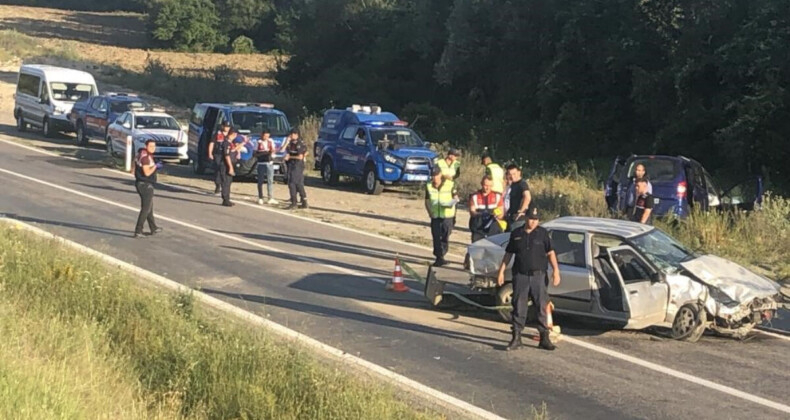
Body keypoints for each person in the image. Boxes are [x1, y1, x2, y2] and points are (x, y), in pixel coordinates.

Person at [497, 206, 560, 351]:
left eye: (536, 220)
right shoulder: (517, 233)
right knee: (519, 305)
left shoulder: (543, 234)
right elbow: (508, 254)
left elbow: (550, 253)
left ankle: (544, 337)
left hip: (538, 275)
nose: (533, 222)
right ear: (526, 218)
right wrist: (501, 272)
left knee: (541, 306)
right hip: (521, 275)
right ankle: (517, 337)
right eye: (531, 219)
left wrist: (556, 271)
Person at [425, 166, 459, 267]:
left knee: (445, 235)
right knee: (436, 236)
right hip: (435, 215)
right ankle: (439, 257)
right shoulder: (429, 186)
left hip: (447, 215)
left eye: (436, 175)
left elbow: (456, 198)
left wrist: (451, 204)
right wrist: (429, 212)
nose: (434, 178)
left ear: (440, 174)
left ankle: (443, 252)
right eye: (432, 175)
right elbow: (427, 201)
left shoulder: (450, 184)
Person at [133, 140, 163, 238]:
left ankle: (153, 227)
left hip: (142, 183)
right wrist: (155, 166)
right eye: (150, 146)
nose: (153, 148)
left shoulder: (142, 154)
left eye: (154, 146)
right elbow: (147, 173)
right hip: (145, 185)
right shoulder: (145, 157)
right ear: (146, 146)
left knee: (149, 207)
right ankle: (138, 230)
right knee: (146, 208)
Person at [281, 128, 308, 209]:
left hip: (297, 165)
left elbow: (300, 156)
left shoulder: (299, 143)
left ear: (296, 135)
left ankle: (294, 202)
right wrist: (286, 142)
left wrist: (290, 157)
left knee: (293, 183)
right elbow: (282, 150)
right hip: (290, 164)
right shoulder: (290, 143)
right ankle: (304, 201)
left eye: (292, 134)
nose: (291, 136)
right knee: (296, 183)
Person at [209, 127, 235, 207]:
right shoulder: (226, 142)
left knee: (228, 182)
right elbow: (227, 156)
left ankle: (227, 198)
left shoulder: (230, 142)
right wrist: (230, 167)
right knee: (225, 181)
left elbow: (232, 151)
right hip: (225, 164)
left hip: (228, 163)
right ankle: (225, 199)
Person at [505, 164, 531, 230]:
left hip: (519, 220)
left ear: (519, 173)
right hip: (511, 217)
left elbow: (527, 197)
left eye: (514, 174)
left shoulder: (522, 184)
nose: (512, 176)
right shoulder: (513, 184)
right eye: (510, 174)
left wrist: (521, 211)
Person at [255, 128, 278, 205]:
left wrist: (272, 153)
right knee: (260, 181)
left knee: (270, 180)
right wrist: (264, 153)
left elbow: (273, 150)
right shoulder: (258, 142)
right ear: (262, 135)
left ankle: (270, 197)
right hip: (261, 163)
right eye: (265, 136)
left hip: (269, 163)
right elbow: (254, 154)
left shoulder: (271, 141)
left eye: (267, 136)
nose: (266, 137)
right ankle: (260, 197)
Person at [209, 122, 231, 195]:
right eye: (226, 126)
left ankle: (224, 186)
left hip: (227, 155)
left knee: (225, 170)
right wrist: (210, 153)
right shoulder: (217, 134)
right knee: (218, 169)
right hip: (218, 154)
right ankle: (218, 185)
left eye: (228, 127)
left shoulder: (230, 135)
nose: (227, 128)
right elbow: (212, 143)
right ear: (222, 126)